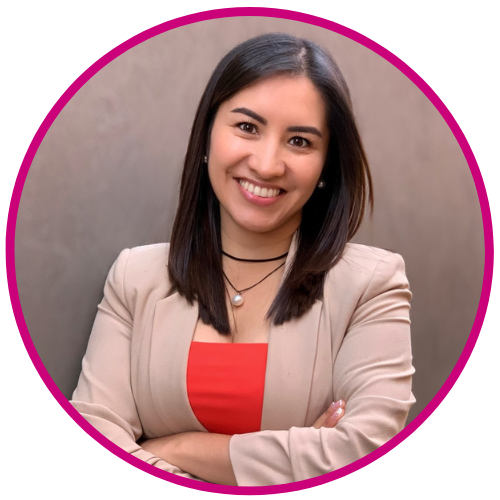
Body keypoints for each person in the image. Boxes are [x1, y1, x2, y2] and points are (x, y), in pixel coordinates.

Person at [71, 32, 415, 486]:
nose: (268, 164)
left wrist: (175, 448)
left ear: (326, 166)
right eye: (248, 128)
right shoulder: (135, 277)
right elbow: (92, 443)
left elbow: (366, 451)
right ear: (207, 135)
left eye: (300, 141)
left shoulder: (372, 284)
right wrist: (291, 463)